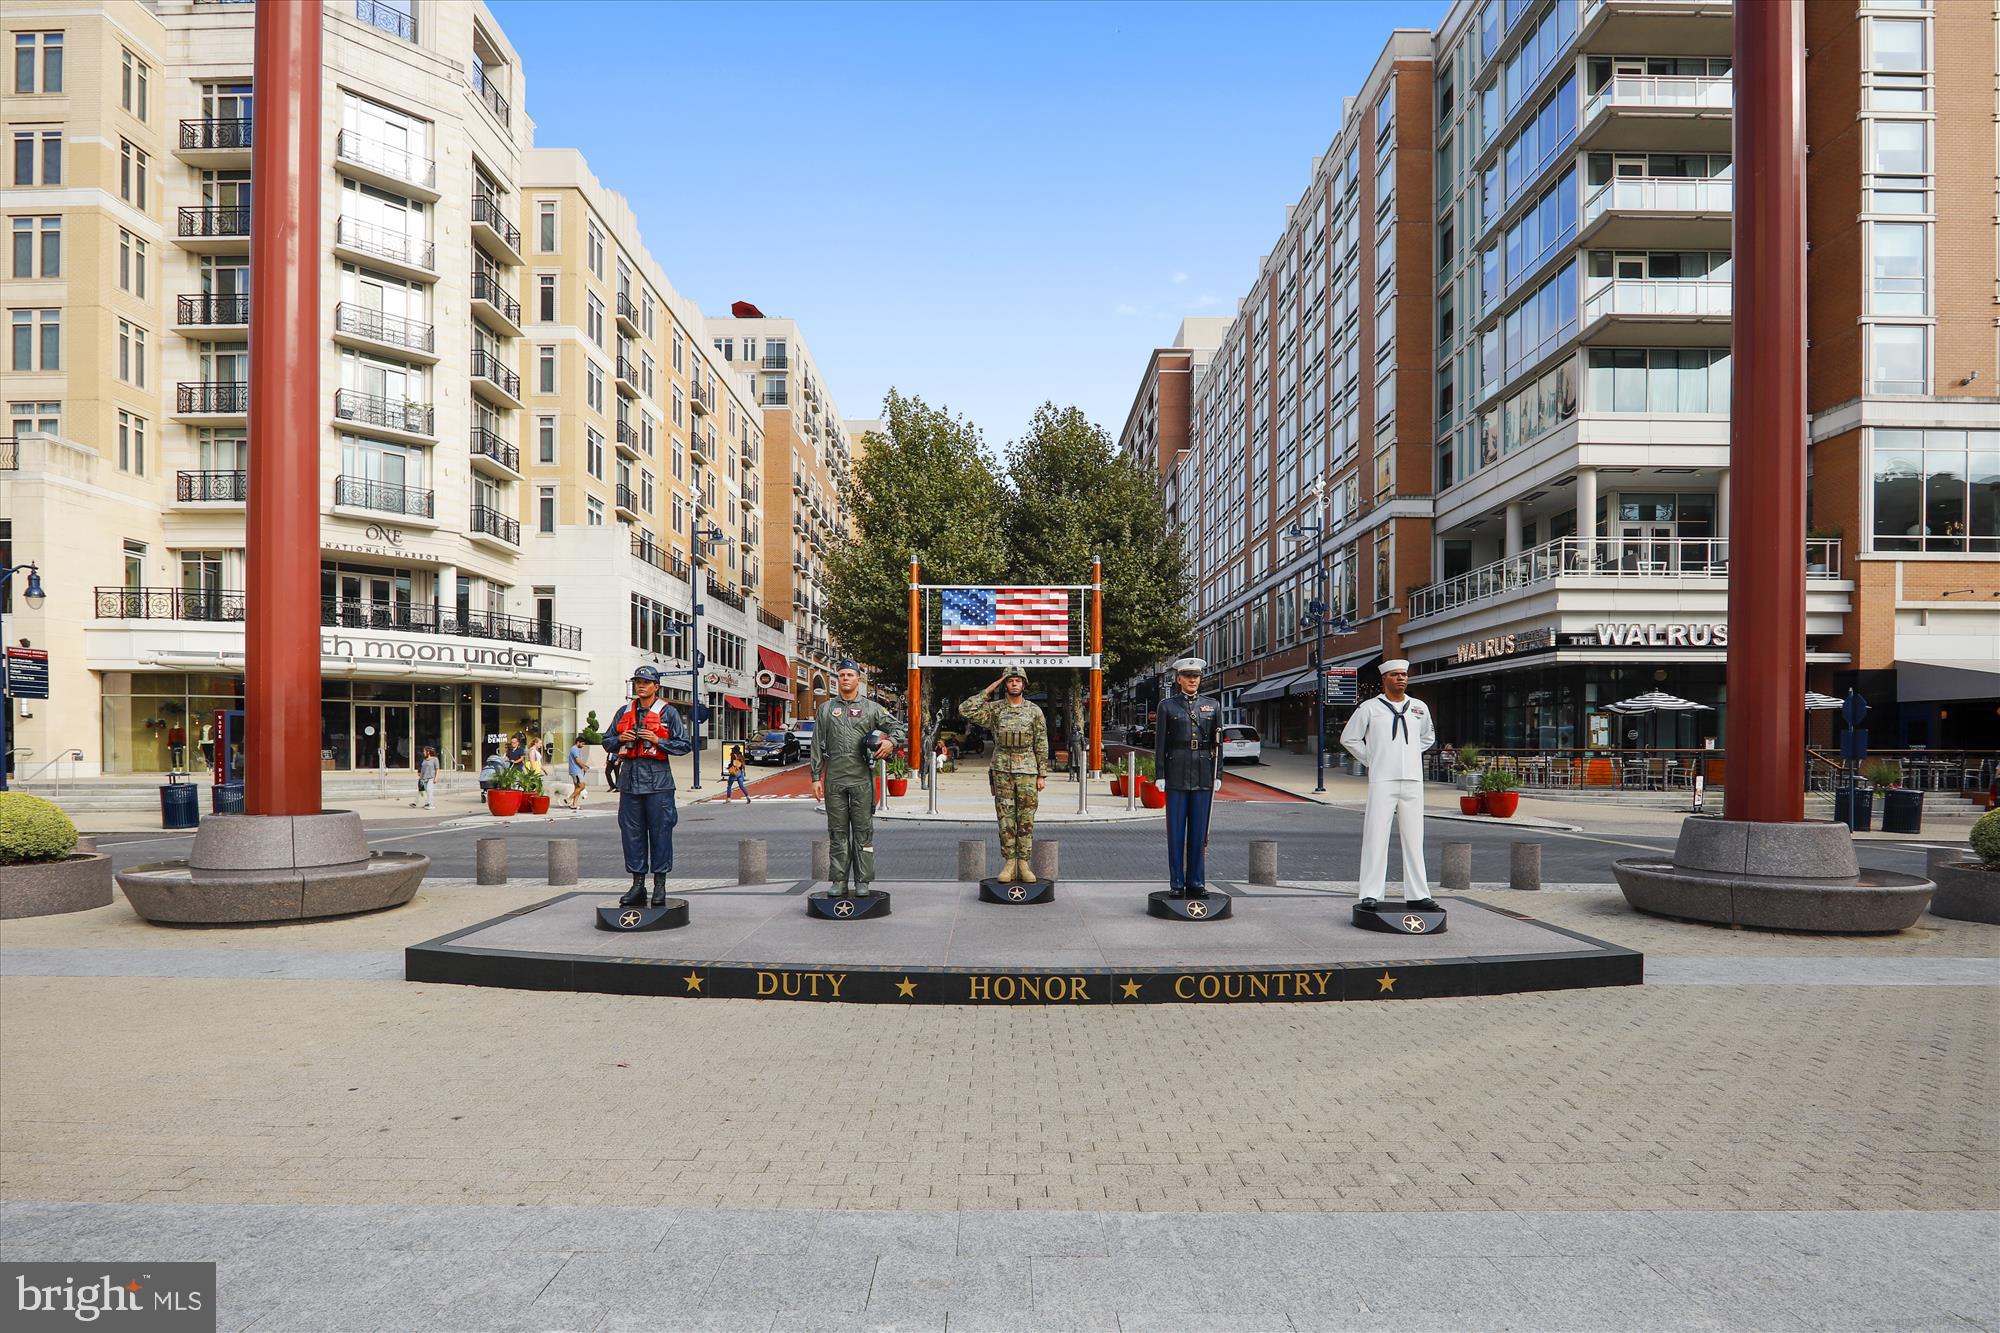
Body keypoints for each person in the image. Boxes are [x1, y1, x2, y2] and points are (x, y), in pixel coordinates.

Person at [1340, 658, 1439, 911]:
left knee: (1415, 838)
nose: (1401, 679)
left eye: (1404, 675)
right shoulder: (1370, 708)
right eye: (1395, 675)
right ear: (1384, 679)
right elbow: (1349, 738)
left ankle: (1418, 894)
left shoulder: (1419, 707)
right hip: (1383, 779)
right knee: (1376, 836)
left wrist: (1411, 752)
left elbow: (1428, 736)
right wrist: (1371, 758)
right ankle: (1371, 893)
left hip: (1413, 779)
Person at [809, 660, 905, 897]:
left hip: (862, 778)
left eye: (850, 674)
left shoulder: (872, 709)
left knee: (863, 832)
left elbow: (898, 728)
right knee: (837, 833)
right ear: (838, 678)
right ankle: (839, 880)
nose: (845, 678)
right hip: (835, 779)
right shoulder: (826, 709)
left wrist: (890, 742)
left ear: (858, 679)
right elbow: (816, 745)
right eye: (842, 674)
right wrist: (815, 777)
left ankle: (863, 880)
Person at [606, 666, 693, 907]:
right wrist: (619, 739)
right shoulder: (624, 711)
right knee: (631, 834)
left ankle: (660, 885)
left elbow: (684, 745)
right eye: (637, 681)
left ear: (656, 686)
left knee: (661, 832)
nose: (641, 685)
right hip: (630, 782)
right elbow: (607, 740)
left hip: (659, 783)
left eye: (646, 681)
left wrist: (658, 741)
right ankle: (637, 885)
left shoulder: (669, 712)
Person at [960, 669, 1049, 884]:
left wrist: (1042, 774)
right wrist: (991, 687)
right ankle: (1009, 862)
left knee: (1026, 819)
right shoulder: (995, 710)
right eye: (1010, 681)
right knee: (1006, 819)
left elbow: (1041, 742)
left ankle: (1023, 863)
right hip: (1002, 770)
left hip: (1028, 770)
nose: (1014, 684)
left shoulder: (1034, 711)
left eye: (1018, 681)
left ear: (1024, 685)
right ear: (1005, 685)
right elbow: (965, 709)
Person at [1155, 657, 1223, 896]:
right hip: (1176, 773)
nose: (1192, 680)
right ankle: (1176, 884)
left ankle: (1196, 882)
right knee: (1175, 833)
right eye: (1188, 676)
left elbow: (1218, 743)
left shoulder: (1212, 705)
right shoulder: (1167, 706)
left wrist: (1218, 772)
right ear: (1179, 679)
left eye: (1196, 676)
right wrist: (1160, 774)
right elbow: (1161, 743)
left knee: (1199, 833)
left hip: (1203, 772)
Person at [564, 735, 590, 811]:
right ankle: (569, 798)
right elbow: (578, 760)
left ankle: (574, 804)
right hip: (576, 771)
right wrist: (583, 767)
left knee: (577, 788)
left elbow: (580, 761)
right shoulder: (574, 749)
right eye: (582, 743)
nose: (583, 745)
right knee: (582, 786)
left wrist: (584, 766)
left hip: (577, 770)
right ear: (578, 742)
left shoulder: (577, 749)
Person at [413, 745, 439, 809]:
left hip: (431, 777)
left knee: (429, 790)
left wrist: (436, 778)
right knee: (426, 791)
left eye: (424, 751)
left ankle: (431, 804)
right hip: (423, 778)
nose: (423, 753)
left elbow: (437, 769)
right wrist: (420, 777)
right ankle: (427, 803)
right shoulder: (424, 760)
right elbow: (422, 769)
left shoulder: (435, 759)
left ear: (428, 752)